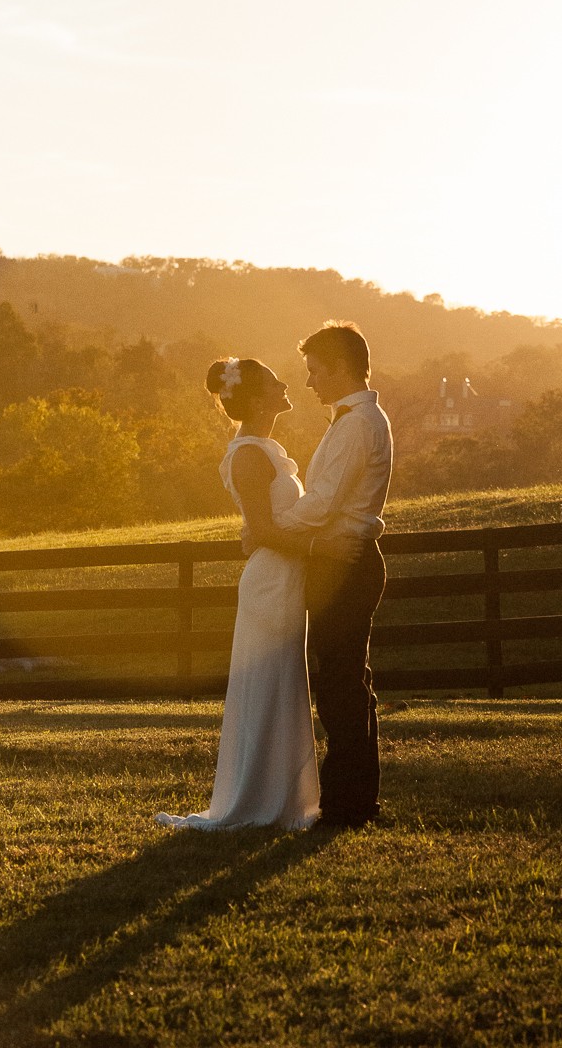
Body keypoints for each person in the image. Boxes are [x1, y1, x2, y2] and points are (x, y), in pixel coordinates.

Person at [156, 358, 321, 831]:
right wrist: (321, 547)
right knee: (268, 684)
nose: (286, 383)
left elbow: (263, 525)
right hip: (271, 581)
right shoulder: (249, 453)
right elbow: (262, 529)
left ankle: (286, 798)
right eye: (274, 382)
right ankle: (258, 799)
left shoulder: (266, 447)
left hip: (285, 577)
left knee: (283, 683)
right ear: (253, 398)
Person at [242, 321, 392, 829]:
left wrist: (267, 529)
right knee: (347, 679)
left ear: (342, 368)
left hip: (345, 563)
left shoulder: (357, 425)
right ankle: (355, 799)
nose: (308, 382)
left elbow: (324, 502)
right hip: (339, 561)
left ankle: (347, 805)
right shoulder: (352, 420)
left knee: (339, 684)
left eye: (315, 370)